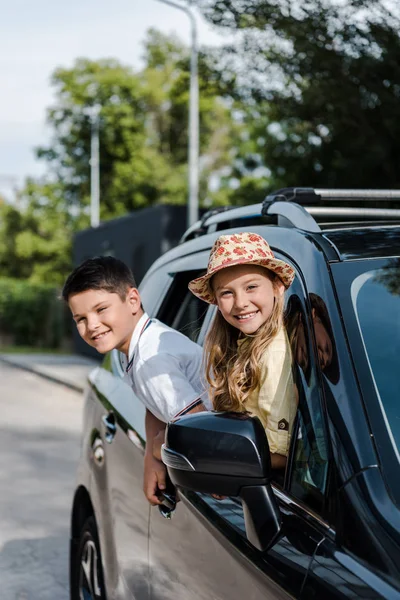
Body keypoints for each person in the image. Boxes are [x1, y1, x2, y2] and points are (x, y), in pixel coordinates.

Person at [62, 256, 209, 505]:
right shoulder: (146, 342)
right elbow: (156, 402)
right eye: (81, 319)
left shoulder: (151, 359)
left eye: (101, 310)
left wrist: (157, 447)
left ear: (132, 300)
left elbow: (200, 431)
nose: (92, 325)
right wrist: (150, 461)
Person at [188, 232, 297, 470]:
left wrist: (219, 468)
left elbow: (281, 454)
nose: (240, 303)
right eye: (227, 293)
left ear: (277, 286)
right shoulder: (239, 345)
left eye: (251, 287)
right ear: (216, 300)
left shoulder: (274, 355)